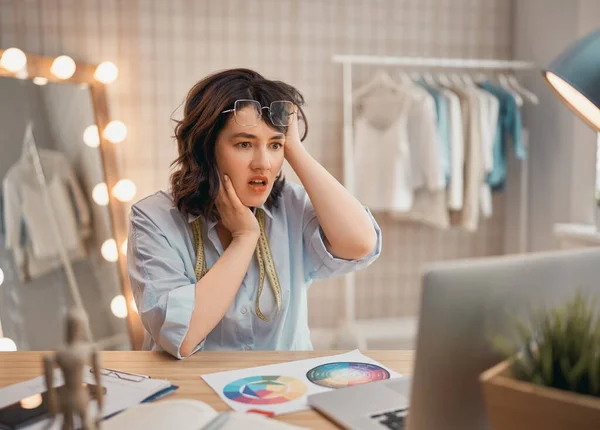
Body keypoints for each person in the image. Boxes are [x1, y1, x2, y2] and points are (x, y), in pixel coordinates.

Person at [127, 68, 382, 358]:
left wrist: (295, 149)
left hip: (286, 389)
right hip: (195, 393)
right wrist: (245, 237)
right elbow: (181, 336)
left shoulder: (291, 205)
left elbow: (361, 244)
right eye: (244, 144)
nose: (263, 163)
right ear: (205, 149)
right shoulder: (153, 219)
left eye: (275, 145)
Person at [43, 308, 104, 430]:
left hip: (74, 395)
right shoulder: (64, 352)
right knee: (73, 424)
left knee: (79, 423)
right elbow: (49, 376)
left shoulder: (73, 351)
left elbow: (97, 377)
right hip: (73, 395)